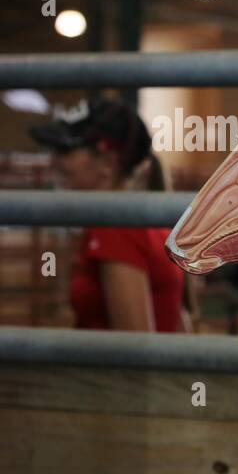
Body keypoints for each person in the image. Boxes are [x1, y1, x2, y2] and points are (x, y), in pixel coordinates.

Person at [30, 98, 191, 332]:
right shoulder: (143, 221)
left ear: (107, 162)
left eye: (65, 150)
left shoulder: (115, 228)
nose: (53, 162)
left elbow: (133, 348)